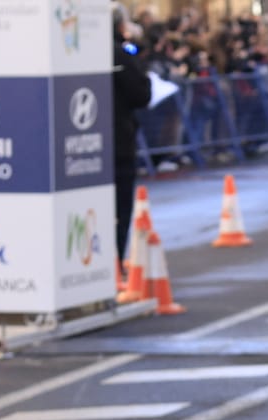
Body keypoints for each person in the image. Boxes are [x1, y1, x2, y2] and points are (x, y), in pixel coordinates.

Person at [112, 4, 152, 269]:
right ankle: (115, 261)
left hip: (91, 143)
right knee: (120, 207)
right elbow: (141, 94)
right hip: (119, 141)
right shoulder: (121, 54)